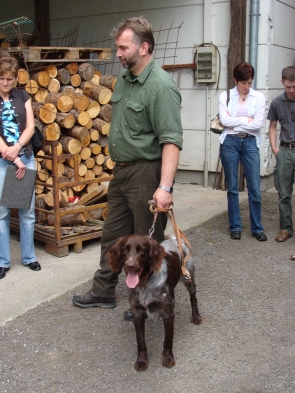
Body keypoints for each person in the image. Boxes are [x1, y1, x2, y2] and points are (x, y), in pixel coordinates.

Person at [72, 16, 183, 319]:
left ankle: (146, 299)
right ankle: (103, 291)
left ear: (144, 47)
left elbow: (171, 140)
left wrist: (165, 187)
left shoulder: (161, 87)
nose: (117, 53)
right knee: (113, 236)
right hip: (121, 171)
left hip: (147, 172)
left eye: (123, 48)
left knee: (148, 243)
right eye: (117, 47)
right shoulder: (123, 79)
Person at [0, 55, 41, 280]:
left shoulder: (22, 95)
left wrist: (17, 149)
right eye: (1, 78)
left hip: (23, 155)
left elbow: (30, 126)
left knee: (27, 211)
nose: (5, 83)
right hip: (2, 159)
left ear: (16, 78)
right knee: (2, 212)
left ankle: (29, 257)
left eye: (9, 78)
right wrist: (10, 155)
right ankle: (3, 261)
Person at [218, 62, 267, 241]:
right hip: (229, 142)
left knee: (254, 187)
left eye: (249, 83)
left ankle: (257, 227)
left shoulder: (258, 97)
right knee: (232, 187)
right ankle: (235, 226)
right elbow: (224, 120)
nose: (246, 87)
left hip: (250, 142)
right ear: (235, 80)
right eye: (243, 83)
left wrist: (236, 120)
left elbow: (258, 124)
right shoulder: (226, 95)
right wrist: (247, 119)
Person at [268, 66, 295, 244]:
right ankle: (286, 229)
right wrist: (274, 148)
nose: (292, 90)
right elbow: (272, 126)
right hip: (285, 150)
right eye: (288, 87)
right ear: (282, 83)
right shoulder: (277, 102)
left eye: (294, 86)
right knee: (284, 194)